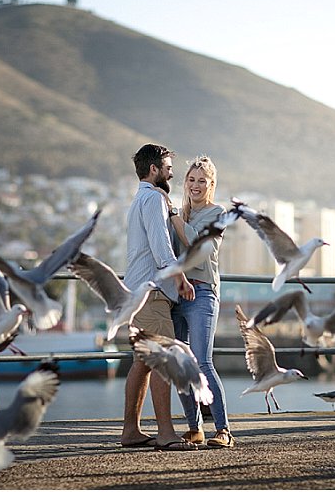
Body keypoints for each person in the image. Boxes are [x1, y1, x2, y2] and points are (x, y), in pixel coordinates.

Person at [120, 143, 196, 451]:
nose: (171, 174)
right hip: (151, 294)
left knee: (142, 363)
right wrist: (181, 277)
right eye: (168, 168)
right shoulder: (152, 198)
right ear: (154, 170)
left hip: (137, 294)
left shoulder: (140, 198)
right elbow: (161, 246)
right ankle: (166, 433)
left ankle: (130, 431)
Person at [161, 156, 236, 448]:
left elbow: (196, 244)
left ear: (211, 184)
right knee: (181, 364)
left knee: (203, 362)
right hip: (175, 295)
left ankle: (224, 430)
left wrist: (174, 216)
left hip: (202, 293)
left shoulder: (217, 213)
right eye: (191, 180)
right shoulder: (180, 214)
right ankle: (194, 429)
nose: (195, 185)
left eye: (202, 181)